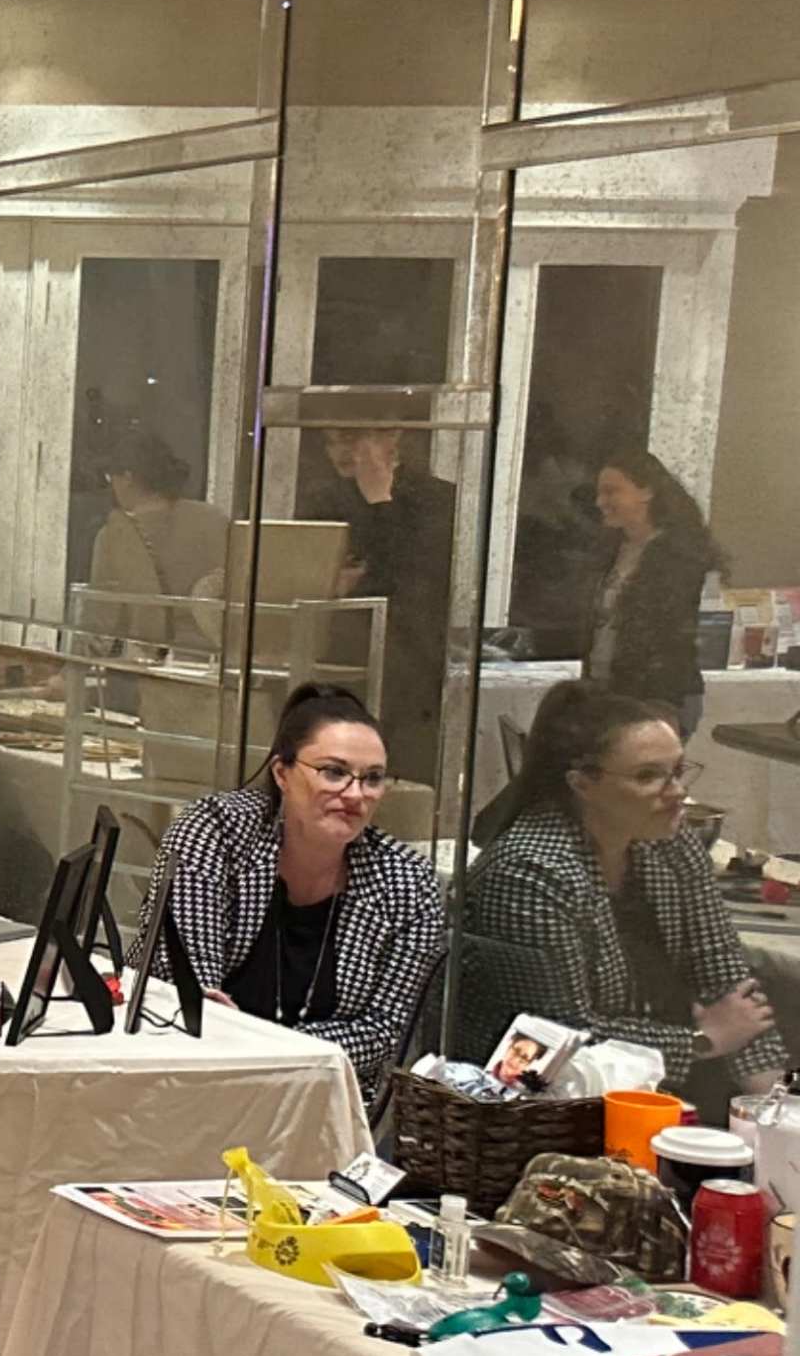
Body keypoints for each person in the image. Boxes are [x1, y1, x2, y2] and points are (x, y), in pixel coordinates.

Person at [460, 683, 782, 1114]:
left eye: (678, 771)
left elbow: (727, 980)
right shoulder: (529, 872)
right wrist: (700, 1041)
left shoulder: (670, 842)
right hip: (543, 1107)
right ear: (581, 784)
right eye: (648, 776)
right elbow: (556, 1038)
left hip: (663, 1088)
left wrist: (770, 1111)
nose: (676, 793)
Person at [131, 684, 446, 1113]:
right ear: (282, 774)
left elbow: (384, 1033)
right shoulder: (216, 832)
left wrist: (269, 1053)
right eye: (334, 772)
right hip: (177, 1087)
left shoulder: (408, 883)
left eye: (372, 778)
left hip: (312, 1103)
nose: (355, 795)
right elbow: (197, 1004)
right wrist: (258, 1047)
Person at [303, 425, 459, 747]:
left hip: (411, 659)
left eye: (349, 437)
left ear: (392, 436)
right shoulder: (325, 498)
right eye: (331, 442)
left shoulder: (436, 499)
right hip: (344, 653)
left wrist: (380, 501)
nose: (340, 452)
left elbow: (409, 577)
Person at [584, 446, 719, 736]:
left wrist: (663, 706)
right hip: (611, 691)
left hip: (657, 696)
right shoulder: (614, 550)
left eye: (611, 492)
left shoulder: (677, 555)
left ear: (646, 492)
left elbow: (673, 637)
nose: (600, 502)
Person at [88, 430, 228, 648]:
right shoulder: (214, 519)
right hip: (215, 667)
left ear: (127, 478)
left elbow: (102, 624)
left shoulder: (113, 536)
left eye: (110, 477)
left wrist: (68, 676)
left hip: (151, 669)